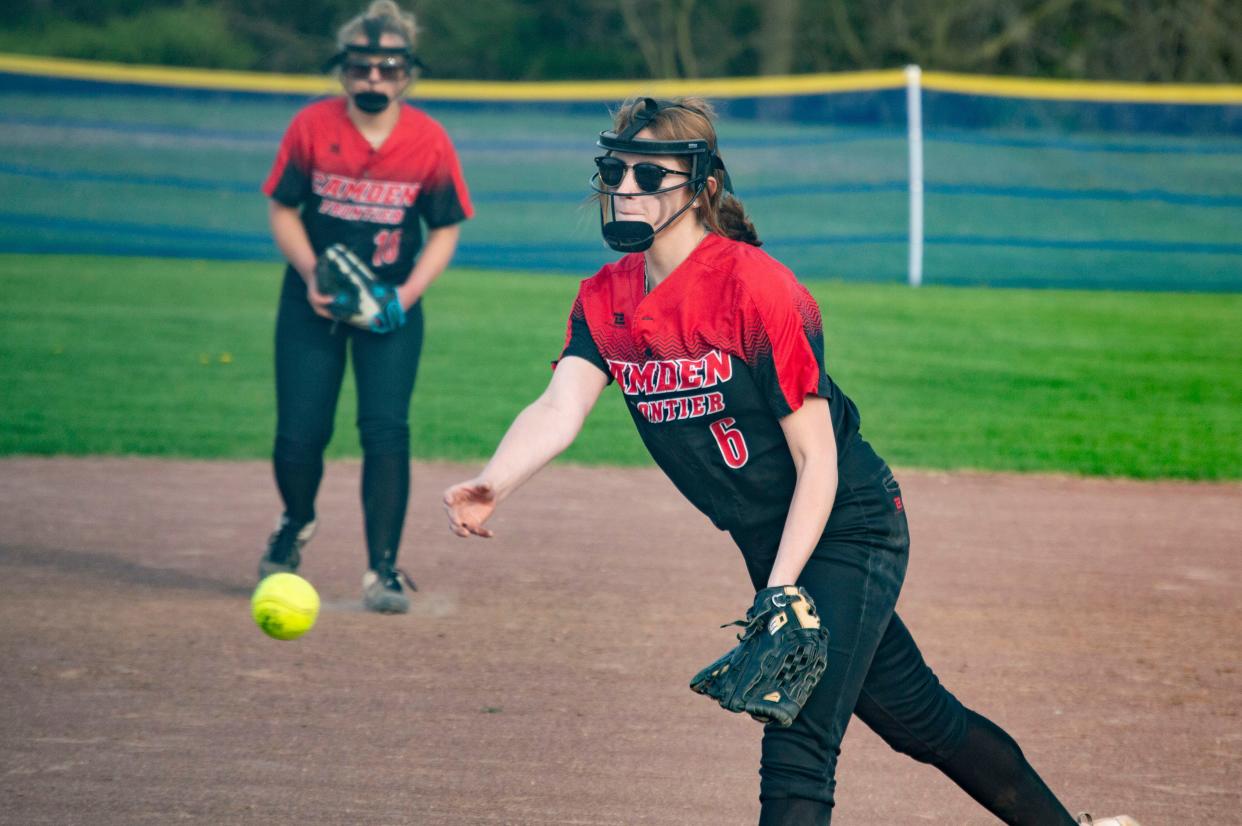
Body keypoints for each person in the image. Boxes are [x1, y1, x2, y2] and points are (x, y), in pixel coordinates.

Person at [442, 97, 1141, 825]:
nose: (626, 189)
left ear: (702, 185)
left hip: (847, 523)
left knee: (796, 731)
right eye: (614, 171)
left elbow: (818, 461)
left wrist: (780, 594)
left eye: (651, 174)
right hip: (773, 542)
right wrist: (496, 480)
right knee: (921, 721)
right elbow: (559, 407)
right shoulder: (605, 299)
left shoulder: (754, 288)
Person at [259, 0, 472, 613]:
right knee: (300, 435)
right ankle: (296, 519)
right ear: (343, 71)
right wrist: (310, 274)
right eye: (361, 68)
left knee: (385, 430)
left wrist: (404, 297)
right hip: (313, 304)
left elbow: (446, 227)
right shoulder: (311, 126)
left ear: (406, 73)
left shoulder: (427, 140)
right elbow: (284, 208)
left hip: (388, 309)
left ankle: (381, 570)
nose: (373, 79)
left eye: (386, 68)